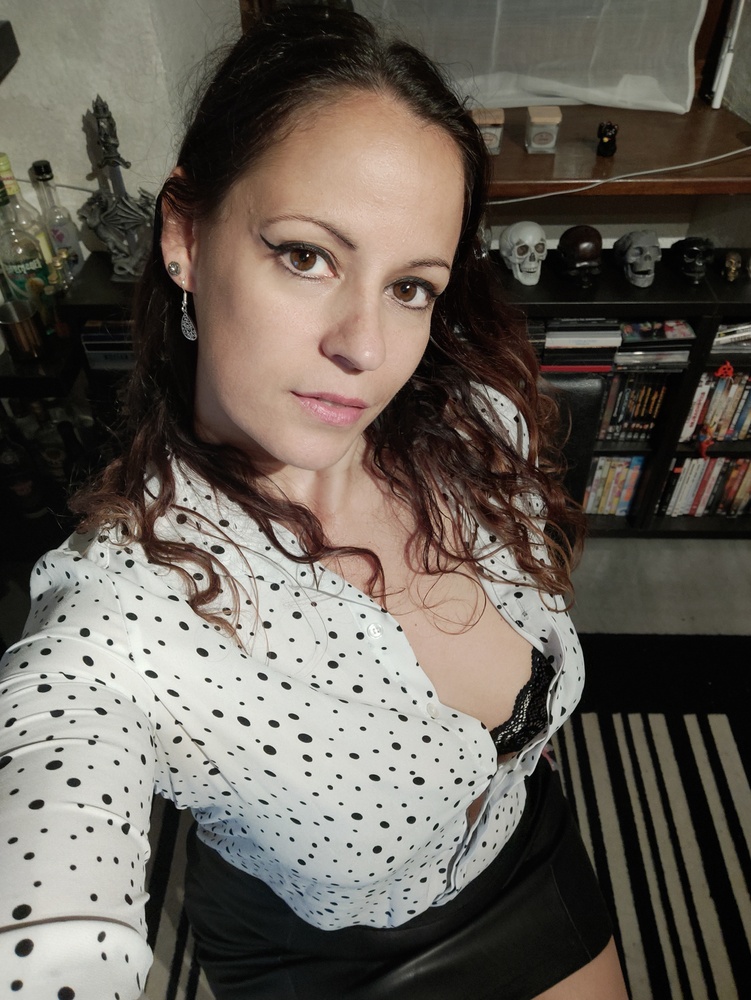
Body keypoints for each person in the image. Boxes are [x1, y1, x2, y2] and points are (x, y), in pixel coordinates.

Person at [0, 7, 629, 1000]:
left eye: (411, 286)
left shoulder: (475, 425)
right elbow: (49, 908)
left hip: (526, 848)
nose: (364, 347)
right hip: (326, 958)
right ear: (184, 235)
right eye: (305, 255)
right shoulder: (119, 618)